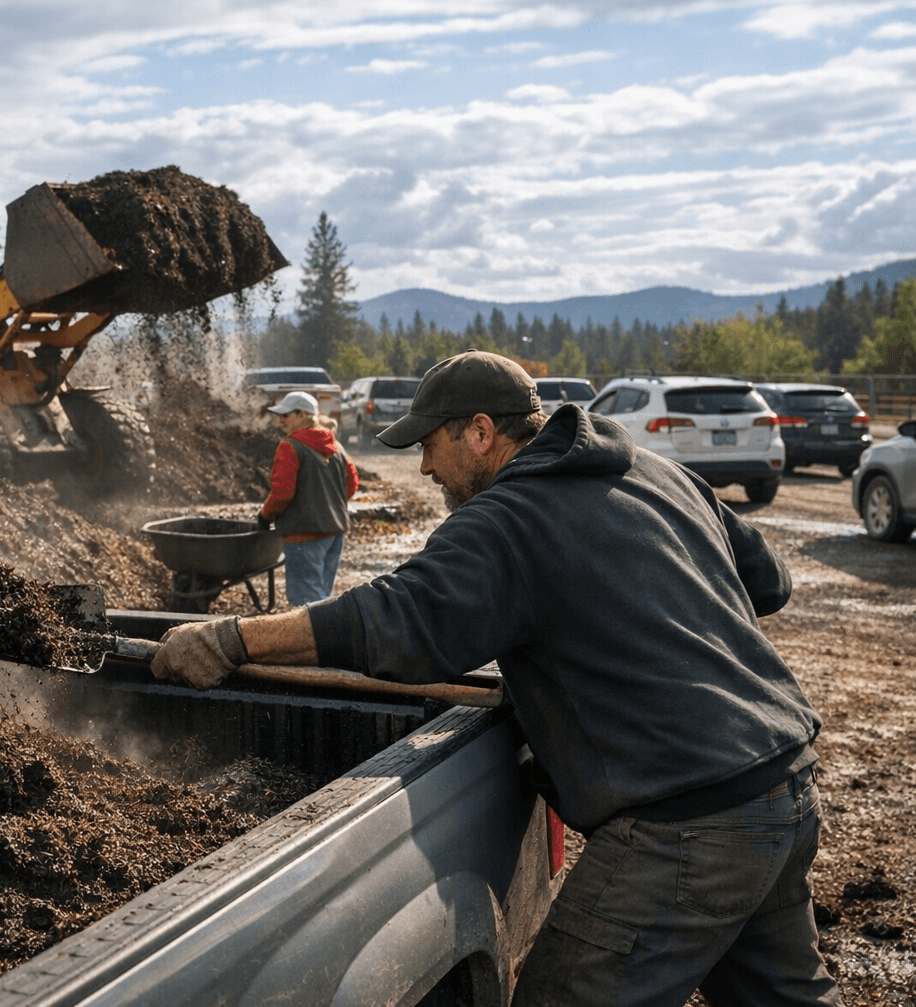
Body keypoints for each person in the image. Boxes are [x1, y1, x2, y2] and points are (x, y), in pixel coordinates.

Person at [152, 350, 837, 1007]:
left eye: (428, 444)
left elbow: (403, 620)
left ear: (480, 432)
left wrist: (232, 638)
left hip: (687, 824)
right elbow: (767, 583)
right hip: (784, 784)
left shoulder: (507, 518)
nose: (422, 466)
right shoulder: (656, 472)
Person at [258, 391, 359, 606]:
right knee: (322, 599)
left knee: (306, 604)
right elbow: (352, 484)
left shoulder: (290, 447)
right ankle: (328, 637)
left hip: (304, 535)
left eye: (286, 414)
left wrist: (265, 516)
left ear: (304, 415)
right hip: (336, 532)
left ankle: (322, 640)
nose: (281, 420)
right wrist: (328, 505)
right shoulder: (336, 447)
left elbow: (282, 493)